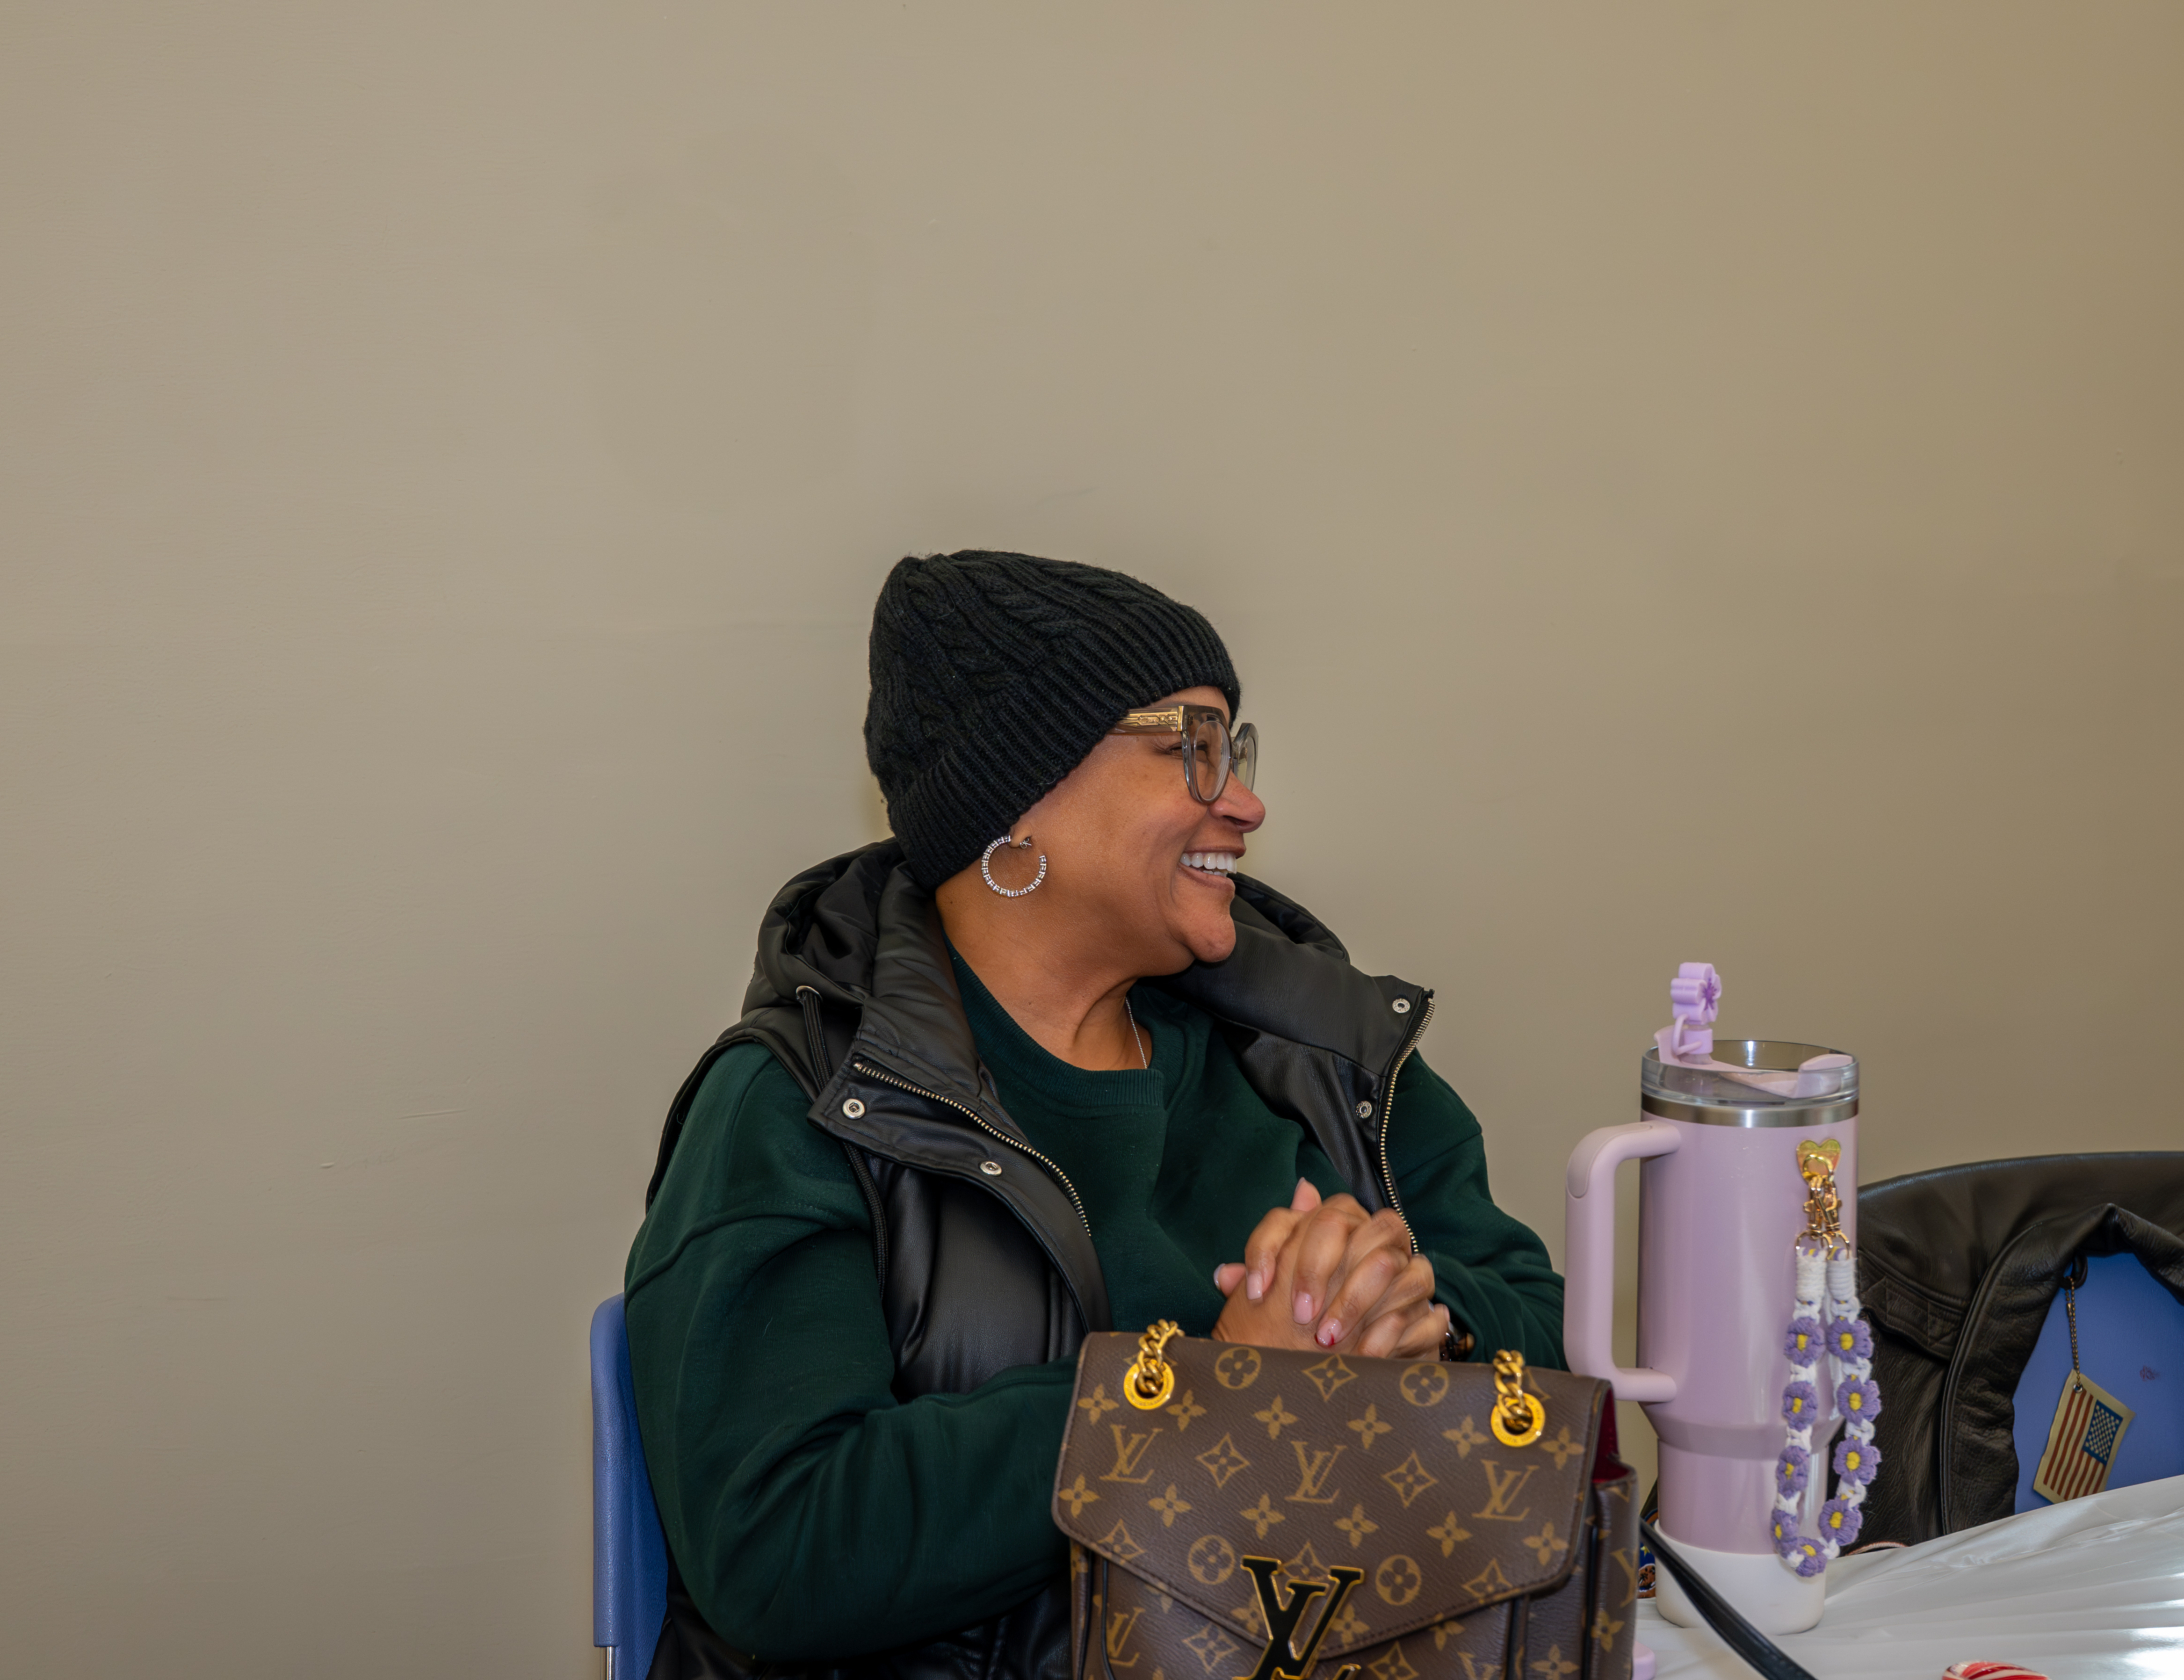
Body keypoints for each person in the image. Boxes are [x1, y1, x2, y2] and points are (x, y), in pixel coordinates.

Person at [625, 551, 1566, 1680]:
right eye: (1194, 748)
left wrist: (1415, 1314)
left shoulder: (1323, 1050)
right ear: (1022, 799)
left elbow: (1553, 1358)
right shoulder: (804, 1105)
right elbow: (777, 1548)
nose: (1246, 801)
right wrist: (1194, 1399)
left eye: (1237, 748)